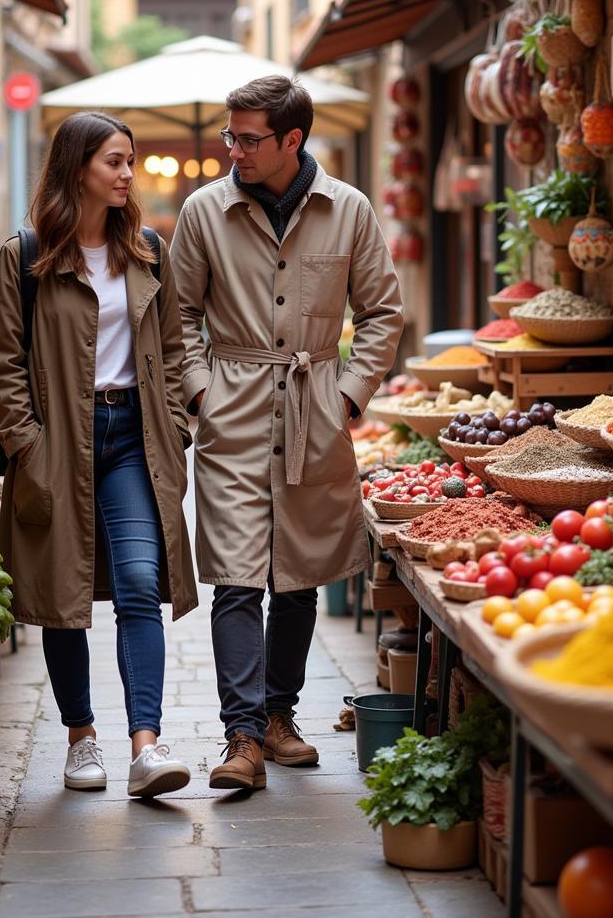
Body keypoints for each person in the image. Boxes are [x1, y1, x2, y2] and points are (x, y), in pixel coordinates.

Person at [170, 75, 403, 791]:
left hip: (315, 405)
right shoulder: (204, 211)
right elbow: (177, 317)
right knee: (238, 580)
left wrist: (348, 398)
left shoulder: (350, 210)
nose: (233, 150)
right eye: (229, 137)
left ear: (291, 140)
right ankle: (241, 737)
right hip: (233, 410)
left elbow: (383, 313)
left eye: (247, 138)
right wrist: (204, 391)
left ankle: (279, 718)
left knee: (297, 575)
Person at [0, 112, 197, 798]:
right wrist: (30, 445)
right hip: (57, 443)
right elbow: (4, 363)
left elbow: (171, 349)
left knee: (140, 582)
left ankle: (146, 746)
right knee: (63, 595)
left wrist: (175, 427)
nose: (128, 174)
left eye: (130, 162)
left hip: (132, 438)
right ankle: (81, 740)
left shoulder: (146, 250)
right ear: (78, 166)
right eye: (115, 161)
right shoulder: (26, 255)